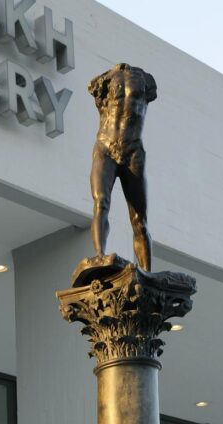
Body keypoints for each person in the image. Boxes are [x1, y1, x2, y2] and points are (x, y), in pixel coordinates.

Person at [88, 63, 157, 271]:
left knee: (139, 220)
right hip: (106, 147)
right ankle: (99, 255)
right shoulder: (104, 80)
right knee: (101, 202)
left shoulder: (147, 80)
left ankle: (146, 272)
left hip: (133, 150)